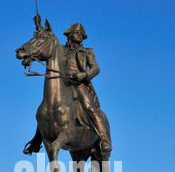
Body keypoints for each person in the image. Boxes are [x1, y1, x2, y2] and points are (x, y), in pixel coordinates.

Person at [23, 21, 112, 155]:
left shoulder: (87, 52)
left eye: (81, 34)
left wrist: (84, 74)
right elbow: (45, 46)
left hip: (79, 84)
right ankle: (36, 140)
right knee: (46, 111)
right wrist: (38, 28)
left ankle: (104, 139)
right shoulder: (61, 50)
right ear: (69, 35)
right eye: (77, 33)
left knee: (90, 108)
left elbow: (96, 68)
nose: (80, 36)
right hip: (63, 83)